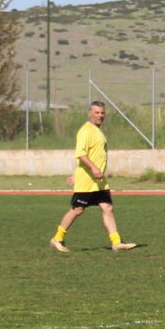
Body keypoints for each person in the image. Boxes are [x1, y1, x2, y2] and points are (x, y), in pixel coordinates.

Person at [50, 102, 138, 252]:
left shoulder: (98, 131)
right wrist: (92, 169)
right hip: (87, 180)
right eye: (97, 113)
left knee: (107, 207)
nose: (100, 115)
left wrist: (77, 173)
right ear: (89, 113)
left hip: (99, 181)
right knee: (78, 209)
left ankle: (116, 242)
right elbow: (81, 153)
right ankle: (57, 238)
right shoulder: (85, 131)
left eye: (102, 113)